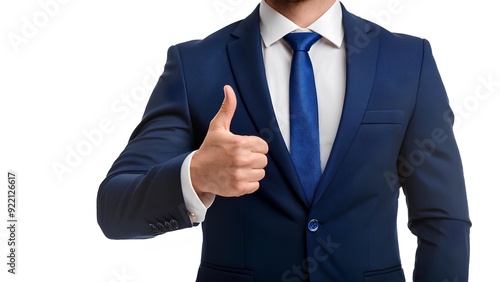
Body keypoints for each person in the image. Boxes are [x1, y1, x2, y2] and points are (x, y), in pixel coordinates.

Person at [96, 0, 471, 281]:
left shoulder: (408, 60)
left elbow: (443, 221)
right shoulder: (195, 65)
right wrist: (195, 176)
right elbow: (115, 209)